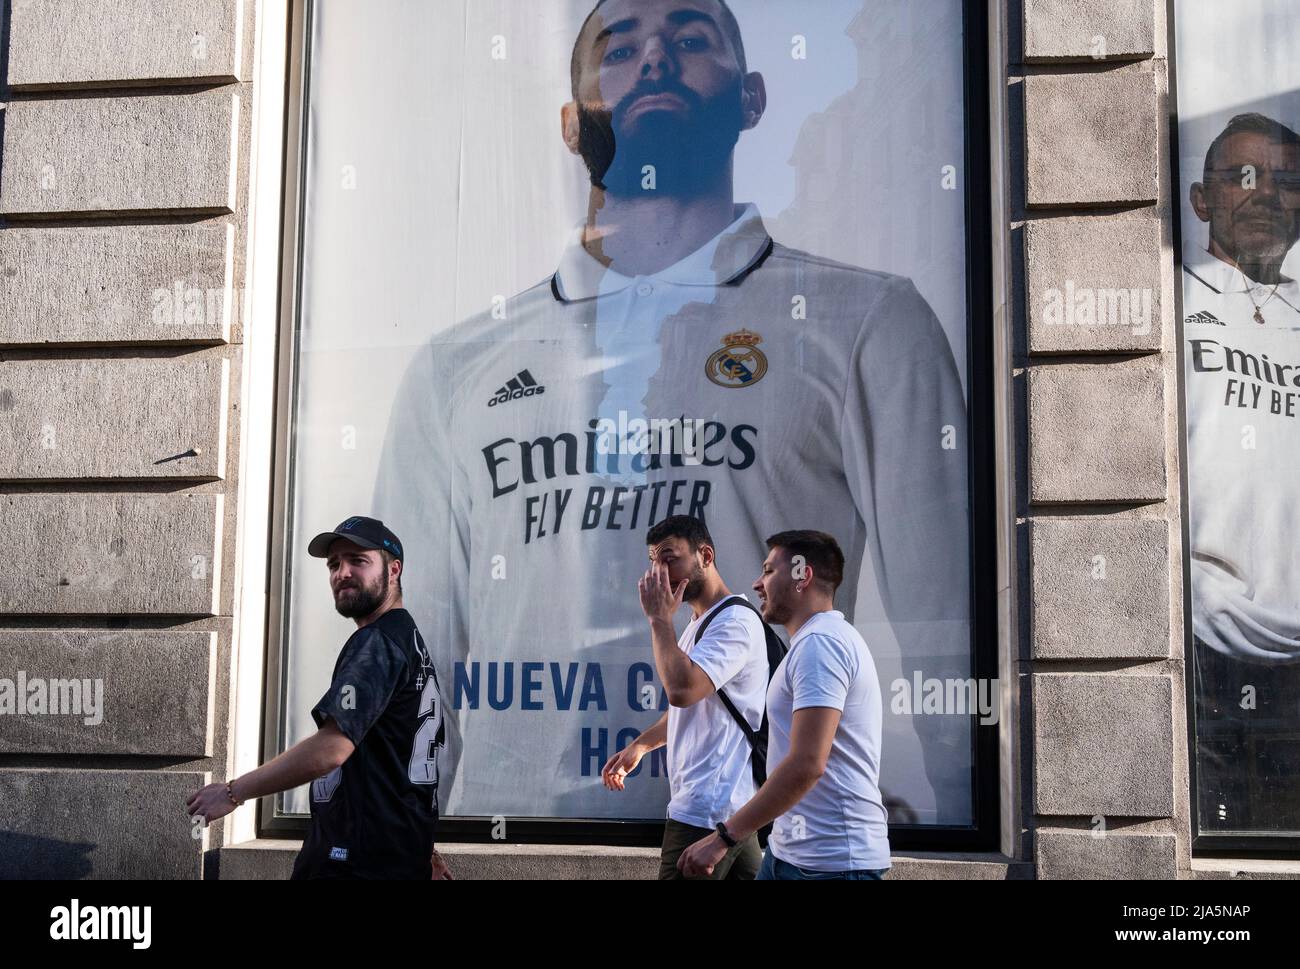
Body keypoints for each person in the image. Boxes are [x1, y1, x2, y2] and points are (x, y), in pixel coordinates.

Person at [375, 0, 968, 821]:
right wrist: (400, 836)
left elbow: (950, 623)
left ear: (752, 98)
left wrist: (943, 835)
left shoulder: (867, 323)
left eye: (690, 40)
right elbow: (416, 659)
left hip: (759, 836)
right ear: (570, 123)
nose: (654, 58)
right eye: (618, 50)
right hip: (519, 834)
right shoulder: (454, 370)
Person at [186, 516, 452, 879]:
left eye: (358, 561)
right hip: (393, 859)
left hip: (355, 864)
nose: (342, 572)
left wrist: (233, 792)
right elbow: (396, 759)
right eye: (334, 564)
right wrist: (422, 847)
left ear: (394, 570)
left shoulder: (377, 643)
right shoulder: (406, 638)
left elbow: (332, 749)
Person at [1182, 111, 1300, 830]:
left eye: (1286, 180)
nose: (1266, 194)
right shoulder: (1168, 307)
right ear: (1202, 201)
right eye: (1245, 177)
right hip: (1205, 660)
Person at [679, 531, 890, 880]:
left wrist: (724, 836)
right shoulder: (813, 642)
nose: (757, 583)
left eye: (768, 571)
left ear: (801, 575)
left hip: (831, 864)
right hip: (791, 855)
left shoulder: (820, 645)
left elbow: (808, 763)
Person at [601, 516, 768, 879]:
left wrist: (659, 620)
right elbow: (691, 708)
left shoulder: (733, 622)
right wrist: (641, 747)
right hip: (727, 810)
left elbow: (682, 690)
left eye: (669, 558)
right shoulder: (700, 622)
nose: (659, 572)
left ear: (705, 555)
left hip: (705, 811)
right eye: (653, 562)